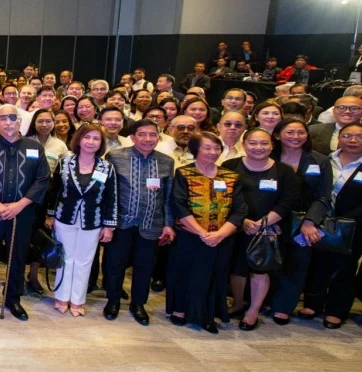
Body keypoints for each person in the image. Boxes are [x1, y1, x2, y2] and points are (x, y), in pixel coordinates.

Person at [0, 104, 50, 321]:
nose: (8, 122)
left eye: (12, 118)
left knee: (18, 256)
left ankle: (13, 297)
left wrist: (19, 205)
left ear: (19, 121)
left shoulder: (34, 148)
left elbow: (42, 179)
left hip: (22, 213)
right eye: (2, 118)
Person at [167, 131, 248, 334]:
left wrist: (220, 234)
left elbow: (240, 210)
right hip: (190, 235)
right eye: (207, 148)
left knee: (214, 275)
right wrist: (202, 232)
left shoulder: (230, 176)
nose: (213, 152)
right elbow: (179, 205)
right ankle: (180, 309)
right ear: (196, 150)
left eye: (216, 148)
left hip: (222, 237)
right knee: (186, 273)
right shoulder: (184, 173)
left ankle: (207, 315)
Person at [220, 129, 300, 331]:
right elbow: (222, 196)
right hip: (235, 226)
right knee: (236, 268)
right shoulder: (230, 166)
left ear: (272, 146)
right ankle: (238, 303)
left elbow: (288, 202)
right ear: (244, 145)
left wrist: (262, 222)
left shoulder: (284, 171)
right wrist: (242, 221)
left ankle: (253, 311)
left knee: (259, 270)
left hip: (269, 229)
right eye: (253, 143)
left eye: (264, 143)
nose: (258, 147)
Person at [103, 119, 176, 325]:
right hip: (121, 223)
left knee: (145, 267)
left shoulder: (166, 162)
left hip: (151, 224)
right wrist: (107, 222)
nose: (147, 139)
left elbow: (168, 198)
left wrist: (168, 224)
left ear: (158, 137)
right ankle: (113, 300)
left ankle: (138, 304)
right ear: (133, 137)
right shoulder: (115, 157)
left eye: (152, 134)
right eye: (142, 134)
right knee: (115, 264)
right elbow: (108, 192)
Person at [44, 124, 118, 317]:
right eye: (87, 137)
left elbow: (111, 197)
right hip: (64, 217)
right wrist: (50, 215)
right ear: (79, 139)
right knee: (65, 258)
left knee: (84, 261)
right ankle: (61, 297)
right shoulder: (65, 162)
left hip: (93, 221)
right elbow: (54, 191)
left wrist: (109, 226)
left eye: (96, 138)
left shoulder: (107, 167)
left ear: (101, 143)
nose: (91, 142)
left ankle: (77, 300)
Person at [267, 119, 332, 326]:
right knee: (269, 260)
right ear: (277, 135)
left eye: (300, 132)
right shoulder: (268, 156)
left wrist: (310, 221)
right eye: (290, 132)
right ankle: (264, 301)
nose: (296, 137)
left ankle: (283, 307)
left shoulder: (320, 160)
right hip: (272, 218)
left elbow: (323, 197)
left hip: (304, 221)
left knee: (297, 263)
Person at [300, 122, 362, 329]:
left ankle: (336, 310)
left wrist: (342, 219)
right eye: (347, 136)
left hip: (354, 226)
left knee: (345, 267)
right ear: (338, 138)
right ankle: (312, 304)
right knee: (317, 263)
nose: (352, 140)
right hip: (318, 220)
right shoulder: (324, 159)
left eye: (359, 136)